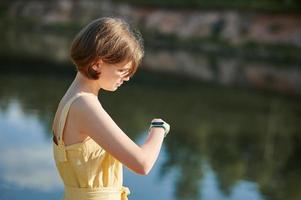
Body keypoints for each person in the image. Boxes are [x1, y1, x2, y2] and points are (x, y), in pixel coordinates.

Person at [51, 17, 170, 200]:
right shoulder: (85, 105)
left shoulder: (69, 100)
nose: (127, 78)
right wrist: (158, 129)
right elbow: (142, 163)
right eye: (122, 71)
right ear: (97, 63)